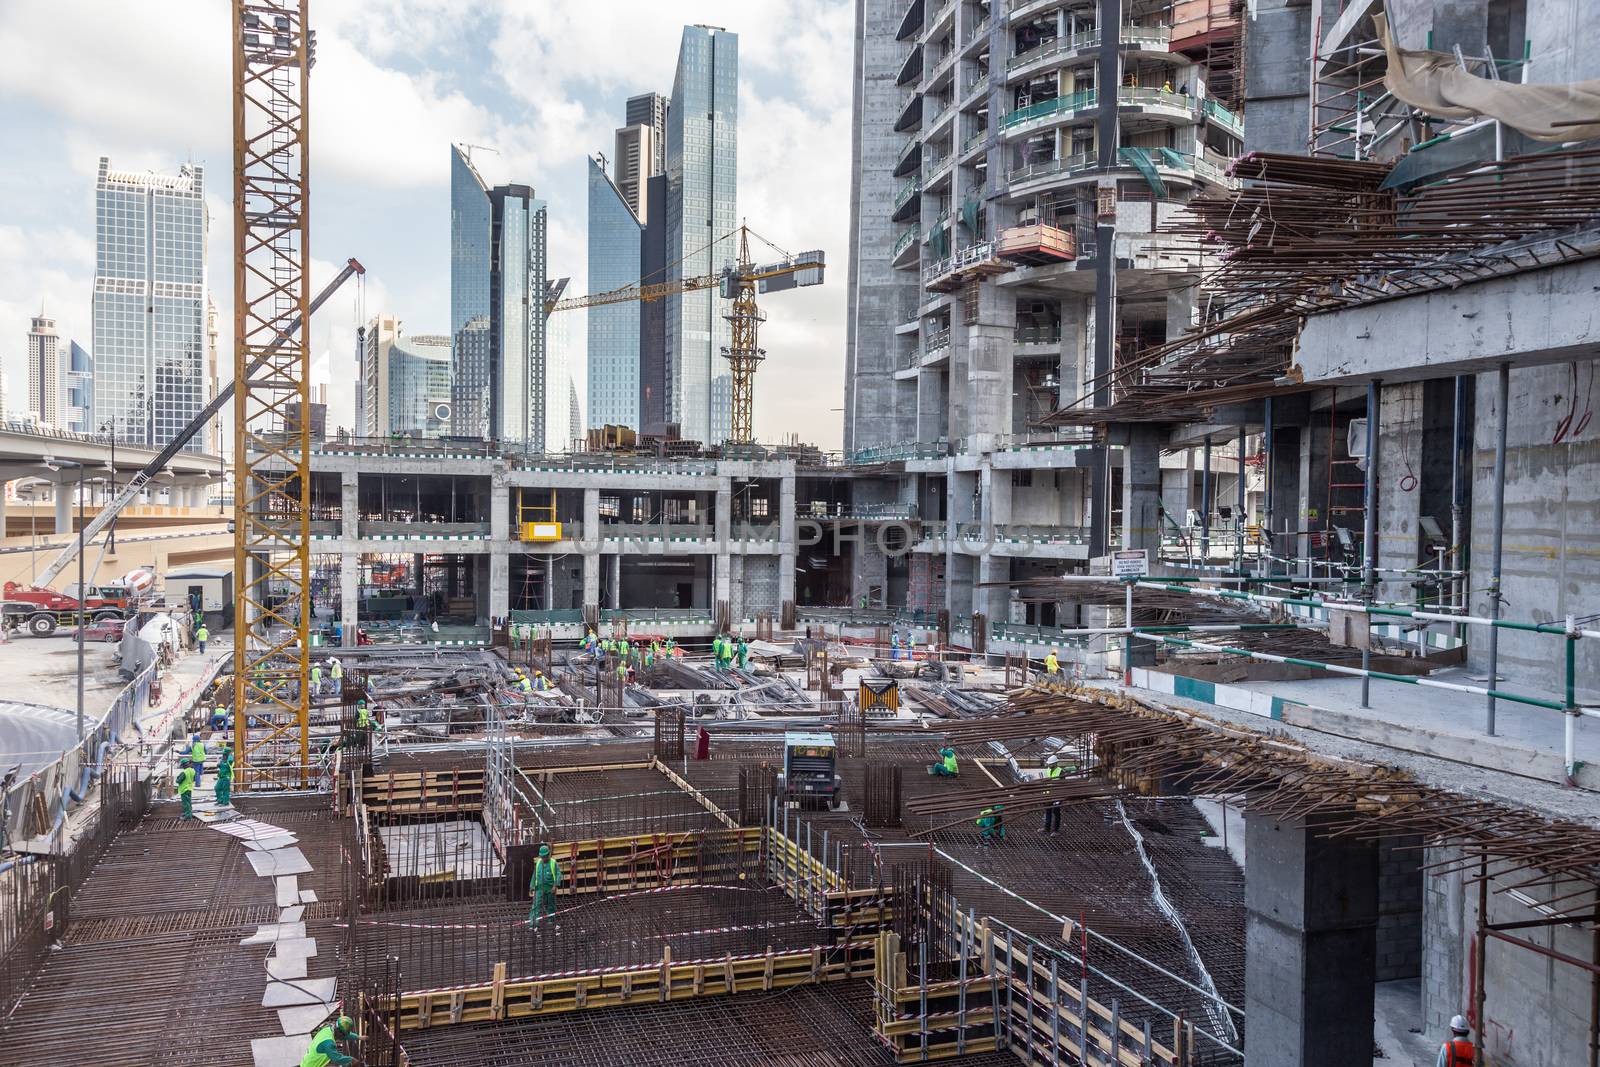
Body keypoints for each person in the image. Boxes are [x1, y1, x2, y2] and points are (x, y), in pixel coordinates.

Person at [528, 844, 561, 923]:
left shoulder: (553, 862)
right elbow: (535, 874)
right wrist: (532, 886)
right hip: (539, 888)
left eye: (545, 856)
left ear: (549, 854)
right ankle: (533, 922)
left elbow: (558, 874)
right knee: (536, 905)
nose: (544, 858)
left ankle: (551, 920)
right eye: (542, 857)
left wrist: (555, 885)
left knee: (550, 905)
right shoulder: (539, 862)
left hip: (550, 888)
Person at [1041, 754, 1063, 834]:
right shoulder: (1048, 770)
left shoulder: (1061, 771)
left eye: (1050, 764)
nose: (1049, 765)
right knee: (1048, 811)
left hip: (1057, 795)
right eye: (1049, 764)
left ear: (1055, 764)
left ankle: (1056, 830)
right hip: (1048, 794)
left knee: (1056, 813)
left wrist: (1060, 797)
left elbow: (1063, 785)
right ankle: (1046, 828)